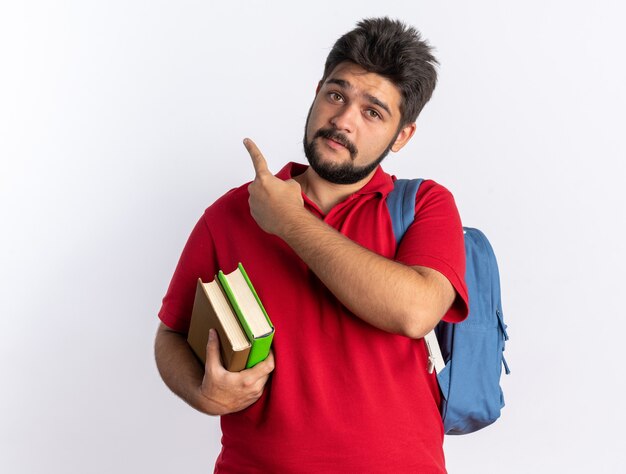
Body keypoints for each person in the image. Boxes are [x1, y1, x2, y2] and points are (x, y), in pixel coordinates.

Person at [155, 17, 469, 473]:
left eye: (372, 112)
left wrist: (288, 222)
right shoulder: (231, 213)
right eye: (336, 95)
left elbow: (415, 310)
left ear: (402, 135)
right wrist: (201, 391)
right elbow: (170, 335)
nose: (342, 121)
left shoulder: (425, 204)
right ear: (317, 91)